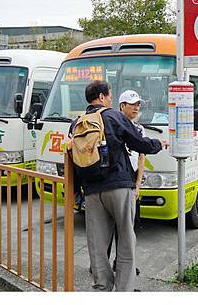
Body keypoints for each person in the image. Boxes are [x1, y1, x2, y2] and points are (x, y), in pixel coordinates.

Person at [69, 80, 162, 292]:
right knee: (126, 242)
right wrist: (158, 144)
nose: (111, 99)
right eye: (109, 96)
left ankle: (102, 287)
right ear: (101, 97)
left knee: (98, 245)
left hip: (92, 192)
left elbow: (73, 157)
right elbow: (139, 143)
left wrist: (77, 190)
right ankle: (123, 291)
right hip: (119, 187)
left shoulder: (77, 123)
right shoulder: (112, 115)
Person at [107, 90, 145, 273]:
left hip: (130, 180)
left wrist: (137, 185)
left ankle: (123, 264)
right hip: (115, 180)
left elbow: (141, 159)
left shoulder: (139, 129)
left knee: (128, 228)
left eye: (138, 104)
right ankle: (102, 263)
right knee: (107, 226)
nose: (136, 107)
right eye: (133, 104)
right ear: (122, 106)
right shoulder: (112, 125)